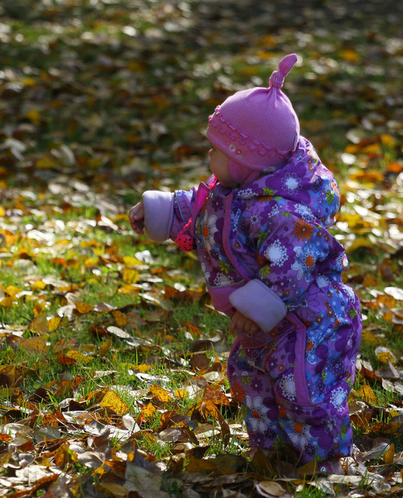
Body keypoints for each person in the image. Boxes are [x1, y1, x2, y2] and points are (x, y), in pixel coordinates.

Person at [129, 54, 361, 473]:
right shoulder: (230, 192)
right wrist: (160, 212)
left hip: (311, 321)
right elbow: (199, 211)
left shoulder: (282, 213)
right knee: (252, 381)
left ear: (245, 161)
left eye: (215, 152)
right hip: (264, 326)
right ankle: (272, 455)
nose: (208, 161)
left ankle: (324, 463)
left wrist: (258, 308)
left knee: (303, 389)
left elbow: (290, 264)